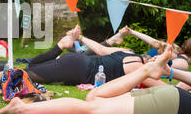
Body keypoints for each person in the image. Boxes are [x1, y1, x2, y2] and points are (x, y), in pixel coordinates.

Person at [0, 45, 191, 114]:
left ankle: (146, 71)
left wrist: (170, 72)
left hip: (171, 97)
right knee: (93, 111)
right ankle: (22, 109)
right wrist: (169, 72)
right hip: (173, 107)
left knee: (94, 98)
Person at [24, 25, 165, 88]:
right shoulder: (139, 69)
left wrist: (80, 37)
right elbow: (164, 88)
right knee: (25, 75)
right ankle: (61, 45)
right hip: (76, 69)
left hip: (77, 61)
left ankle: (60, 46)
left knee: (31, 67)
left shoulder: (128, 52)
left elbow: (101, 49)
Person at [120, 26, 191, 70]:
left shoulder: (176, 51)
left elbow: (156, 43)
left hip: (131, 62)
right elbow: (152, 65)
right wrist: (132, 32)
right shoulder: (182, 63)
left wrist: (132, 32)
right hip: (131, 64)